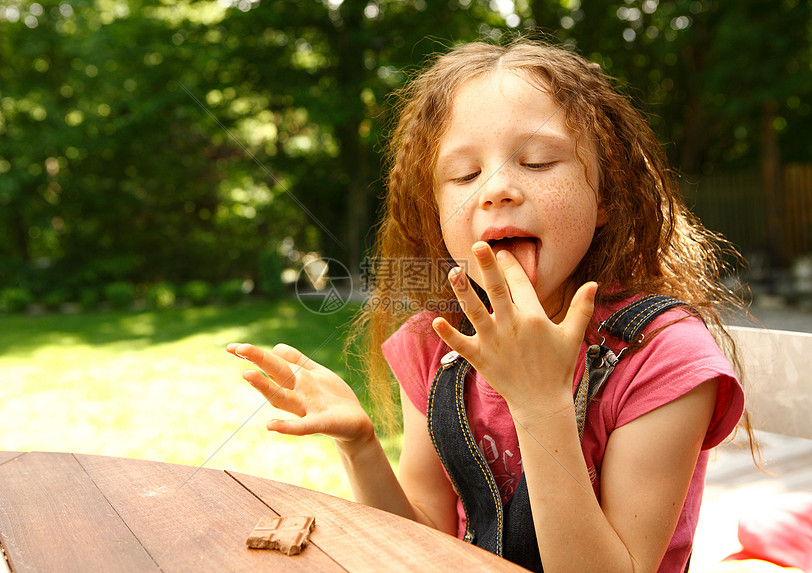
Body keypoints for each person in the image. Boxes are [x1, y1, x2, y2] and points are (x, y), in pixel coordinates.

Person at [227, 38, 749, 572]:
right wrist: (360, 444)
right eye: (464, 175)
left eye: (539, 161)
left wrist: (540, 401)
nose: (496, 189)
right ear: (437, 213)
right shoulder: (434, 343)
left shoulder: (661, 355)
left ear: (607, 200)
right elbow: (422, 541)